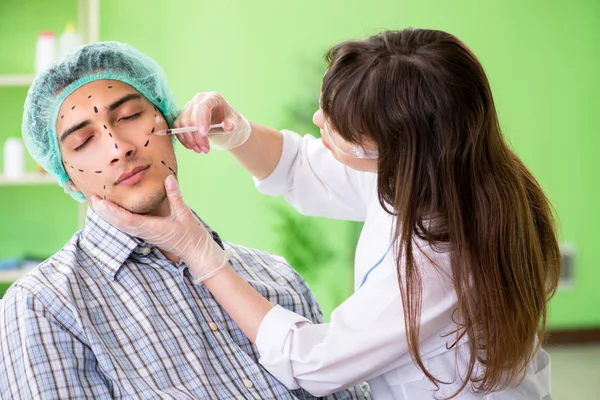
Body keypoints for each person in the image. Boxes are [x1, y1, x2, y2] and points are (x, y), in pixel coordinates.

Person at [94, 29, 561, 399]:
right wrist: (234, 131)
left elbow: (312, 364)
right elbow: (300, 166)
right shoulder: (443, 170)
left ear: (398, 152)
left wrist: (202, 255)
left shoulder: (440, 257)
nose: (319, 123)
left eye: (338, 127)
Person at [0, 41, 370, 400]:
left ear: (167, 119)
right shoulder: (45, 306)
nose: (119, 148)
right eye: (82, 141)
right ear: (66, 177)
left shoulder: (276, 279)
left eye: (129, 117)